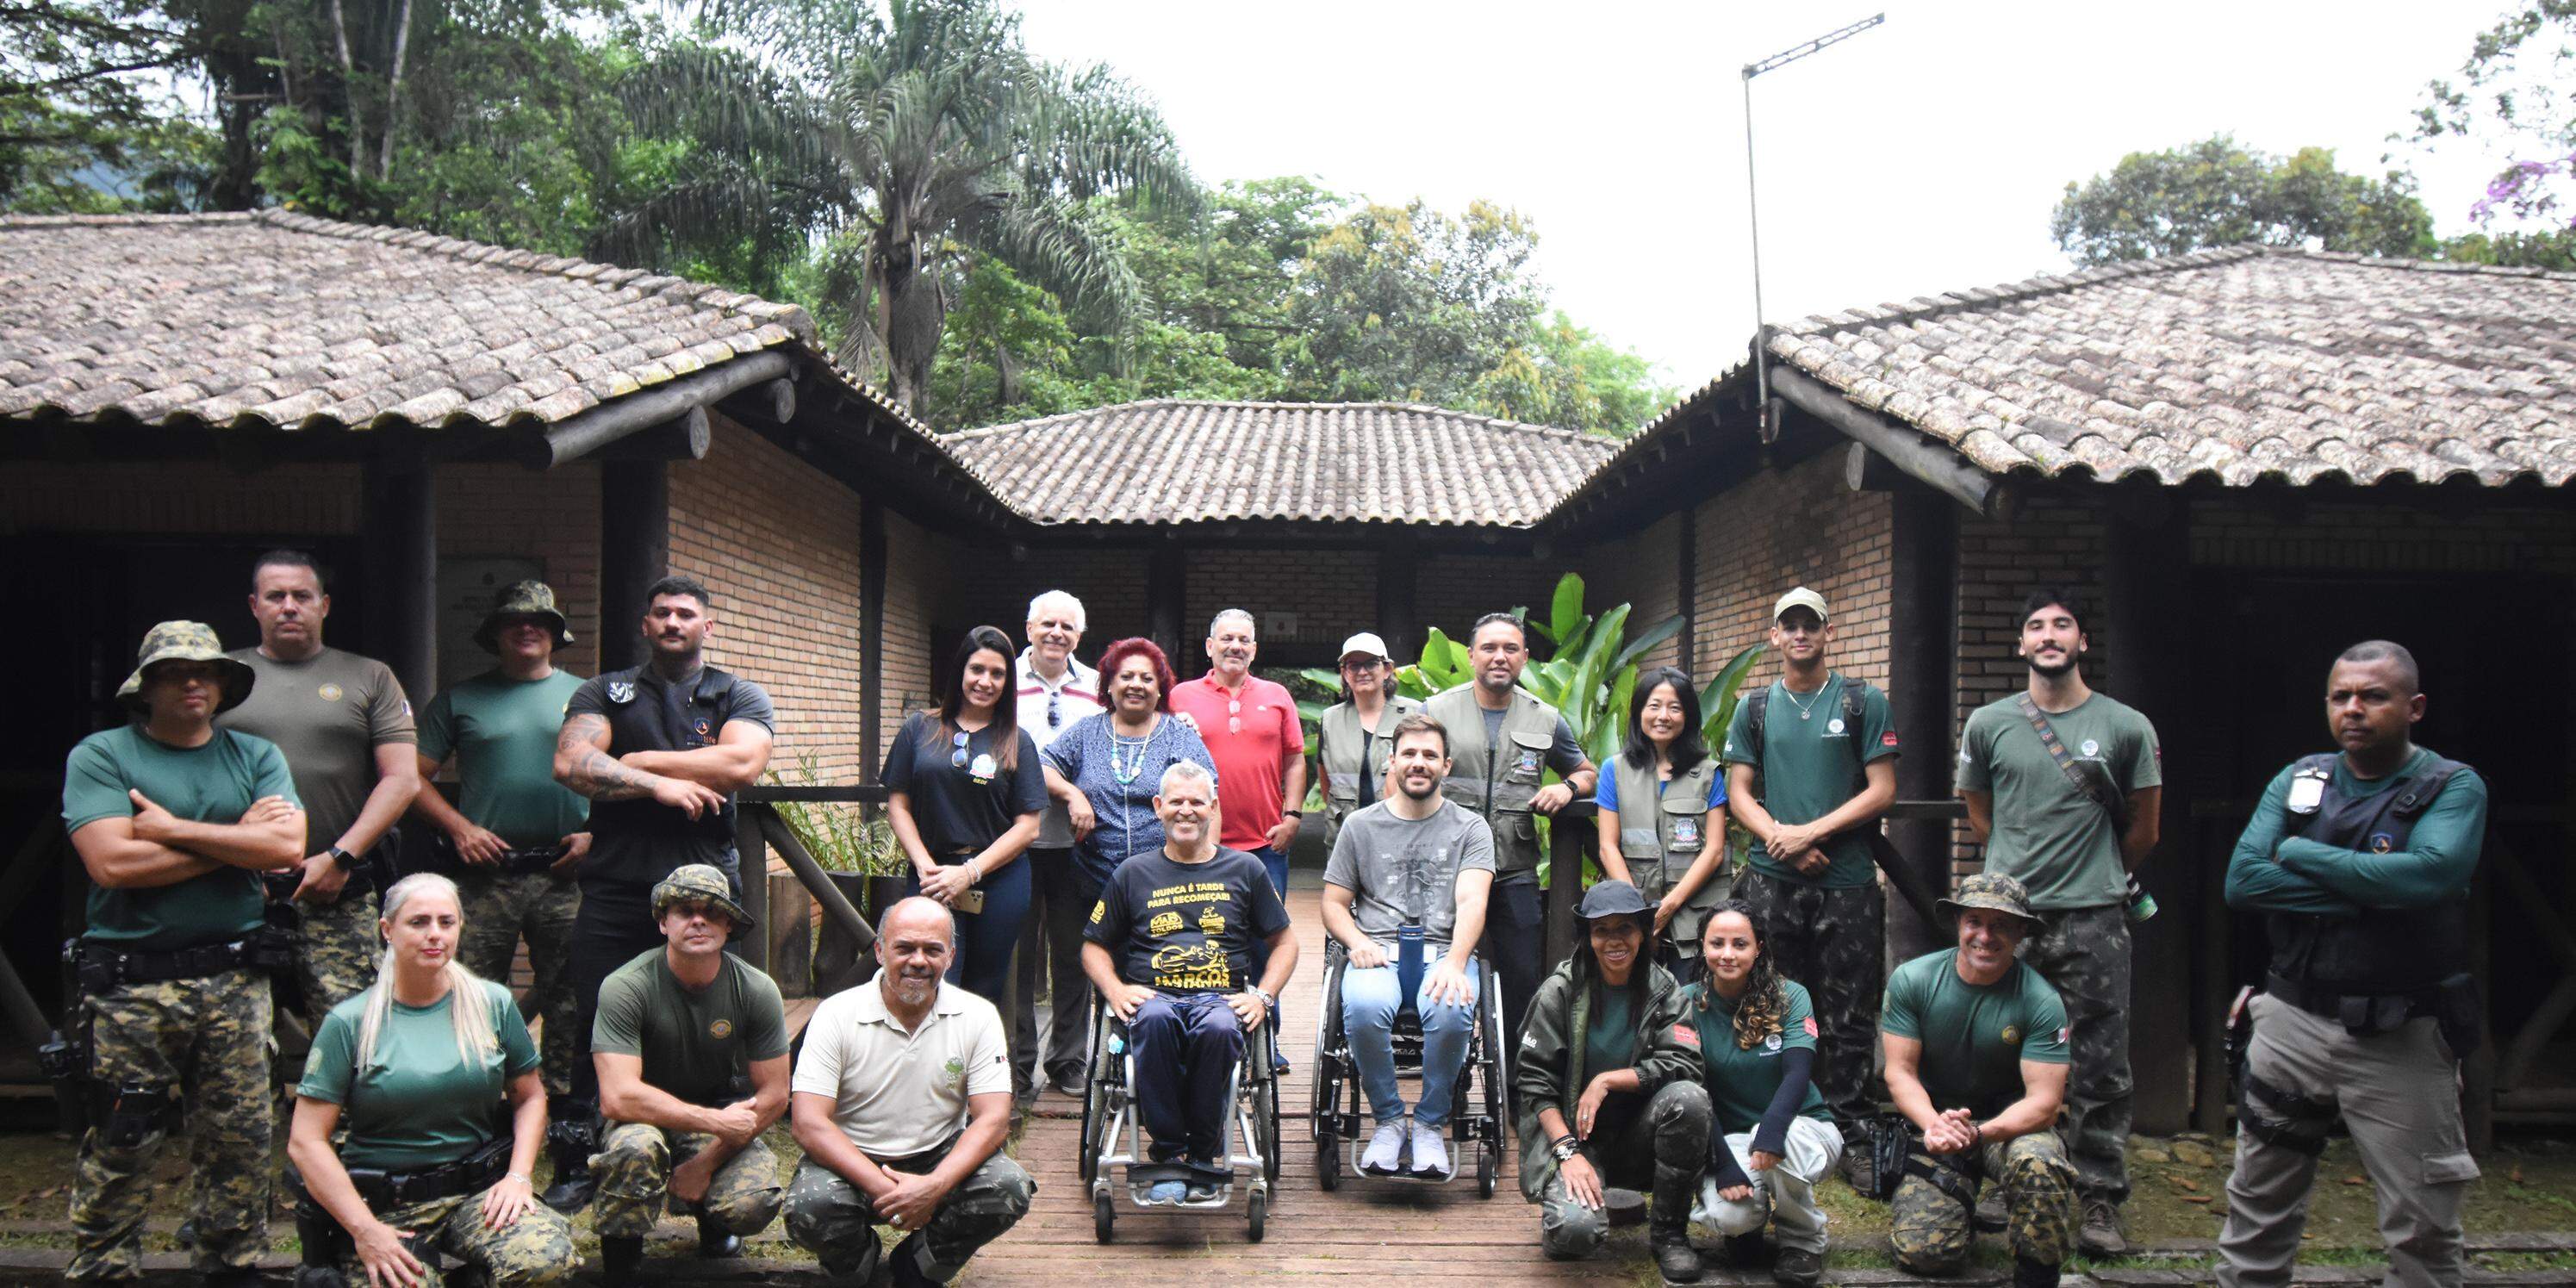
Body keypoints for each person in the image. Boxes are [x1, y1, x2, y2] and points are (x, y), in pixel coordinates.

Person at [2217, 641, 2488, 1288]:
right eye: (2341, 696)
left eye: (2374, 695)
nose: (2354, 709)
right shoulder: (2300, 778)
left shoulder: (2452, 786)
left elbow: (2427, 878)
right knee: (2257, 1206)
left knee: (2422, 1222)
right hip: (2289, 1022)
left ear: (2414, 706)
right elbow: (2243, 882)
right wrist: (2373, 892)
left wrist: (2299, 853)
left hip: (2402, 1032)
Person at [61, 622, 306, 1286]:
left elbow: (285, 848)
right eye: (175, 671)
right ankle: (105, 1265)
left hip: (235, 978)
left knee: (242, 1136)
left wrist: (168, 831)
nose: (194, 682)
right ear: (147, 686)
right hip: (131, 985)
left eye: (207, 671)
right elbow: (112, 862)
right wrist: (232, 840)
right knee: (122, 1136)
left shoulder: (255, 755)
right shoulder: (102, 755)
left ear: (225, 684)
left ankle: (231, 1263)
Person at [546, 574, 775, 1210]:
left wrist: (637, 761)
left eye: (686, 613)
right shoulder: (605, 690)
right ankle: (578, 1159)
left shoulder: (736, 693)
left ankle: (710, 1162)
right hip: (618, 884)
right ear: (645, 625)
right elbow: (570, 764)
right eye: (662, 613)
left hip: (704, 890)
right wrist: (658, 787)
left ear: (708, 625)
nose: (673, 622)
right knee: (593, 1018)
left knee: (712, 1028)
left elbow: (739, 765)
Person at [1954, 587, 2159, 1255]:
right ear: (2021, 644)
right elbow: (1980, 808)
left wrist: (2093, 870)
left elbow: (2145, 827)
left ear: (2082, 642)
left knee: (2101, 1063)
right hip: (2011, 917)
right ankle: (2000, 1174)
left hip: (2095, 915)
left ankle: (2100, 1197)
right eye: (2036, 625)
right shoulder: (1989, 723)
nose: (2049, 635)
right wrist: (2017, 869)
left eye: (2062, 625)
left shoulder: (2127, 725)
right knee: (1998, 1051)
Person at [288, 873, 580, 1288]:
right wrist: (364, 1230)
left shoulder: (491, 1004)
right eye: (419, 922)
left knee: (547, 1259)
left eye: (447, 922)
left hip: (478, 1193)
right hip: (388, 1204)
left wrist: (519, 1177)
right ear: (387, 930)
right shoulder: (350, 1022)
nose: (435, 935)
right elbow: (306, 1141)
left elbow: (530, 1097)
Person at [1722, 587, 1897, 1182]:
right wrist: (1781, 839)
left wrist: (1809, 833)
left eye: (1810, 625)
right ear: (1774, 636)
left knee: (1849, 1010)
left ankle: (1852, 1125)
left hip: (1847, 881)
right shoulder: (1755, 708)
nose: (1800, 634)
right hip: (1772, 882)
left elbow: (1881, 790)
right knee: (1773, 1001)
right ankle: (1777, 1116)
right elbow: (1739, 789)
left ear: (1828, 633)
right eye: (1788, 625)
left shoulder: (1861, 700)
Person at [219, 548, 422, 1026]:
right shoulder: (216, 678)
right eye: (275, 596)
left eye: (301, 596)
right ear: (254, 606)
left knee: (350, 1035)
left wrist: (340, 856)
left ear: (324, 605)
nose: (289, 606)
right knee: (234, 1041)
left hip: (336, 888)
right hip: (236, 889)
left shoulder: (370, 676)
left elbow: (403, 779)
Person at [786, 897, 1033, 1286]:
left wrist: (934, 1186)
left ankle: (922, 1266)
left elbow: (994, 1119)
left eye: (933, 950)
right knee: (809, 1207)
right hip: (854, 1156)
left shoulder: (979, 1016)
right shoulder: (835, 1014)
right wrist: (888, 1189)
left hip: (938, 1154)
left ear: (951, 956)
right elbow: (808, 1123)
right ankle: (857, 1262)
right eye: (905, 947)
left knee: (1007, 1187)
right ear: (881, 951)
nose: (919, 960)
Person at [1081, 760, 1297, 1203]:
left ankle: (1203, 1151)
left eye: (1197, 802)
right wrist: (1115, 989)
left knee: (1219, 1029)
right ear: (1158, 807)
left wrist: (1263, 996)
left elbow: (1286, 942)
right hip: (1153, 996)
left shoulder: (1246, 870)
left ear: (1213, 807)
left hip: (1220, 999)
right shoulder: (1132, 873)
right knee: (1155, 1020)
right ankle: (1169, 1152)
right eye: (1176, 802)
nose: (1186, 811)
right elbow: (1093, 946)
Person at [411, 580, 591, 1100]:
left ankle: (561, 1105)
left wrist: (595, 834)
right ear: (495, 634)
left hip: (566, 872)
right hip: (485, 874)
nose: (528, 628)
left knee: (570, 994)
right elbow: (410, 778)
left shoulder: (586, 698)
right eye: (514, 621)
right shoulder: (459, 700)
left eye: (540, 621)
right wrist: (460, 828)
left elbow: (620, 774)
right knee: (469, 991)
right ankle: (479, 1098)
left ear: (557, 634)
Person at [590, 865, 792, 1283]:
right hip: (639, 1118)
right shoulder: (625, 986)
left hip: (715, 1109)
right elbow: (618, 1097)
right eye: (684, 910)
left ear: (729, 925)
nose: (699, 920)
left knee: (752, 1201)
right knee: (635, 1148)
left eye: (712, 912)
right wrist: (717, 1122)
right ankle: (623, 1252)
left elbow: (775, 1095)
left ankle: (715, 1224)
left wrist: (705, 1161)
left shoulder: (756, 989)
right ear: (664, 923)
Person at [1321, 713, 1495, 1180]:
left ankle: (1430, 1126)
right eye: (1410, 754)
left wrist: (1458, 961)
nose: (1419, 763)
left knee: (1453, 1008)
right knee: (1362, 1006)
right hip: (1377, 948)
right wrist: (1356, 942)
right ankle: (1390, 1121)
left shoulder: (1471, 828)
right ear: (1392, 761)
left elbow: (1473, 898)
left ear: (1447, 765)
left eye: (1430, 756)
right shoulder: (1359, 826)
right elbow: (1334, 903)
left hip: (1443, 949)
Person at [1881, 874, 2076, 1288]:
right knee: (1926, 1253)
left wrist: (1979, 1133)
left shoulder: (2041, 1001)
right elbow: (1899, 1072)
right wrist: (1934, 1125)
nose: (1985, 936)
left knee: (2039, 1162)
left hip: (2008, 1125)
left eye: (2000, 925)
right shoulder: (1912, 980)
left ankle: (2036, 1273)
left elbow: (2045, 1102)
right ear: (1958, 925)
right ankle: (1962, 1203)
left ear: (2021, 932)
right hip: (1937, 1124)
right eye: (1975, 922)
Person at [1512, 880, 1710, 1281]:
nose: (1614, 940)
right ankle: (1566, 1214)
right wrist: (1567, 1151)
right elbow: (1534, 1082)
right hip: (1574, 1137)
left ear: (1642, 932)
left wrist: (1609, 1080)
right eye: (1602, 930)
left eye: (1625, 928)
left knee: (1689, 1099)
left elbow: (1686, 1063)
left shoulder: (1664, 989)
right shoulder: (1561, 991)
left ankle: (1670, 1235)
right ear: (1588, 937)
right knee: (1575, 1235)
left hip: (1641, 1133)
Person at [1038, 638, 1217, 1076]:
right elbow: (1041, 764)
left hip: (1164, 882)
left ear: (1160, 687)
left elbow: (1209, 792)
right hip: (1091, 876)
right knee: (1077, 966)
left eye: (1147, 678)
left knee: (1153, 964)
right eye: (1126, 676)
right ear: (1109, 685)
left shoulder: (1179, 735)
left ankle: (1149, 1056)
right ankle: (1068, 1060)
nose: (1136, 685)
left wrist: (1211, 863)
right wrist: (1072, 792)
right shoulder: (1085, 731)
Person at [1421, 613, 1597, 1048]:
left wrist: (1568, 787)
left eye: (1510, 649)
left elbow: (1587, 771)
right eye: (1489, 648)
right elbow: (1403, 776)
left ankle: (1519, 1089)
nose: (1500, 657)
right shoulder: (1438, 710)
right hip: (1446, 868)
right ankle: (1443, 1066)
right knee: (1437, 970)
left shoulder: (1545, 718)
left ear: (1525, 658)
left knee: (1522, 978)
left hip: (1514, 869)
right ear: (1471, 655)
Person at [887, 625, 1046, 1004]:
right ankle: (929, 1065)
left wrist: (970, 872)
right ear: (960, 670)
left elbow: (1028, 826)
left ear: (1008, 682)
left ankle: (973, 1065)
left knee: (983, 990)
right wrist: (926, 867)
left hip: (998, 881)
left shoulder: (1018, 741)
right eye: (977, 669)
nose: (985, 681)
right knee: (930, 984)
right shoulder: (919, 728)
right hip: (932, 877)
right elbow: (898, 803)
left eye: (997, 673)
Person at [1688, 903, 1844, 1288]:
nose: (1727, 954)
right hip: (1733, 1137)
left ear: (1758, 948)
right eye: (1717, 943)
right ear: (1703, 948)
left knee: (1777, 1149)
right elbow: (1695, 1089)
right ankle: (1748, 1228)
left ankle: (1803, 1241)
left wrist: (1772, 1131)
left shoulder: (1791, 996)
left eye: (1740, 944)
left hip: (1801, 1127)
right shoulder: (1686, 1002)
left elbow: (1797, 1072)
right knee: (1731, 1216)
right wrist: (1723, 1162)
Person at [1011, 591, 1104, 1103]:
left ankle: (1068, 1059)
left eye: (1068, 627)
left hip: (1077, 844)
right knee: (1019, 956)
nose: (1057, 634)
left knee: (1073, 954)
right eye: (1048, 624)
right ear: (1029, 628)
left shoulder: (1096, 686)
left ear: (1079, 636)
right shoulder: (1003, 682)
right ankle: (1019, 1061)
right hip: (1015, 841)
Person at [1597, 665, 1732, 977]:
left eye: (1675, 708)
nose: (1663, 716)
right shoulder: (1614, 770)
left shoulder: (1709, 773)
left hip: (1695, 916)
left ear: (1688, 717)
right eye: (1654, 706)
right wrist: (1638, 915)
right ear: (1639, 711)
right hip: (1632, 917)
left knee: (1690, 1006)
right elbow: (1607, 846)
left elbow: (1713, 850)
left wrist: (1668, 907)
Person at [1169, 608, 1305, 896]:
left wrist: (1292, 817)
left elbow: (1294, 759)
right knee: (1205, 931)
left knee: (1266, 932)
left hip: (1266, 843)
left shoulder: (1277, 695)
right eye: (1227, 638)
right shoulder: (1180, 697)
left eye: (1244, 640)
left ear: (1253, 650)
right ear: (1209, 646)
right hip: (1198, 840)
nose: (1235, 646)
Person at [1312, 632, 1423, 850]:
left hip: (1402, 836)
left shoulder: (1414, 714)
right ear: (1344, 672)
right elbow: (1326, 781)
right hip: (1345, 837)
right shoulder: (1330, 719)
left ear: (1387, 669)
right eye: (1353, 665)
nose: (1362, 672)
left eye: (1371, 664)